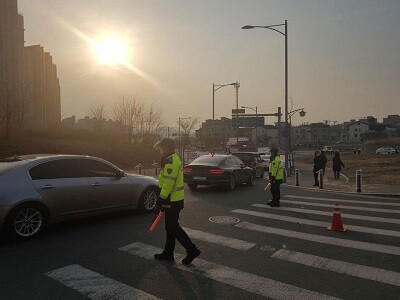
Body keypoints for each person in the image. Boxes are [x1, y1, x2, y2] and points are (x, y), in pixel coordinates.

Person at [153, 138, 201, 264]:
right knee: (170, 227)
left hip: (171, 200)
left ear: (168, 148)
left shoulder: (171, 162)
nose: (161, 150)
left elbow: (168, 184)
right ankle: (168, 253)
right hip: (172, 199)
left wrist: (160, 201)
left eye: (163, 148)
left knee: (173, 227)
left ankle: (192, 250)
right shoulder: (171, 159)